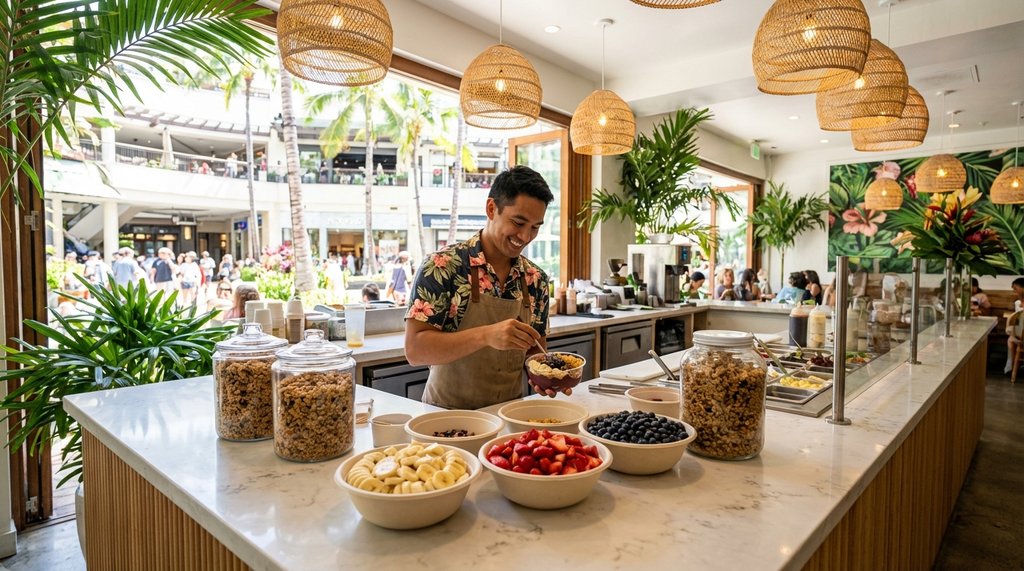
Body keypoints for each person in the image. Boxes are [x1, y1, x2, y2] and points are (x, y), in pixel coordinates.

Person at [404, 165, 555, 410]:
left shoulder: (535, 279)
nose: (526, 236)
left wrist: (544, 376)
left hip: (508, 416)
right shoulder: (443, 266)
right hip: (445, 417)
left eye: (535, 227)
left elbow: (535, 353)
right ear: (491, 208)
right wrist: (486, 335)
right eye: (518, 222)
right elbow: (415, 350)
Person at [1006, 277, 1024, 375]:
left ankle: (1011, 368)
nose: (1014, 291)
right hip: (1020, 333)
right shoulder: (1017, 303)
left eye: (1015, 288)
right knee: (1011, 339)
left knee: (1010, 339)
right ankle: (1012, 367)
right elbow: (1017, 319)